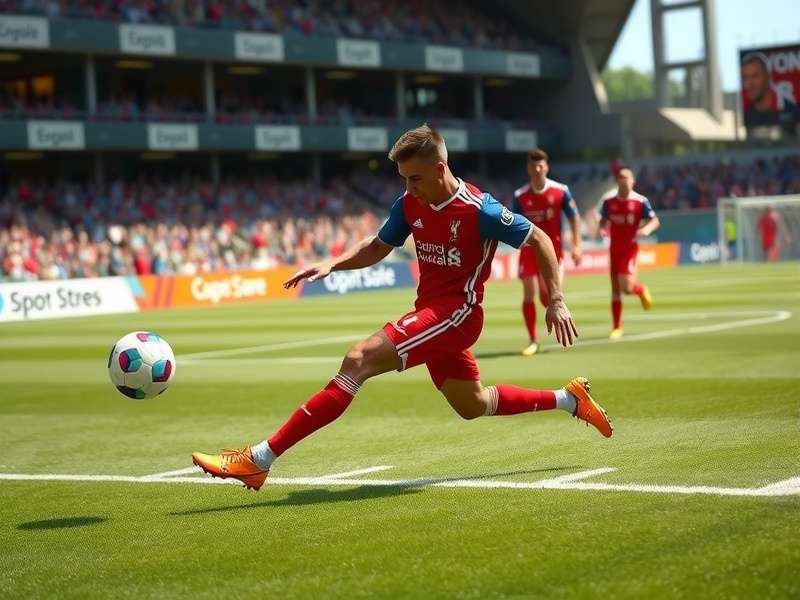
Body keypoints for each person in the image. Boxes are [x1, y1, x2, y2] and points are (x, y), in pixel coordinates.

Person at [192, 125, 613, 492]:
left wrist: (555, 299)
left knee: (357, 359)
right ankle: (569, 399)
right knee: (472, 404)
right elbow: (379, 246)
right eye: (403, 178)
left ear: (440, 169)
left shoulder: (479, 209)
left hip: (458, 314)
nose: (407, 187)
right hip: (433, 314)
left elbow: (539, 238)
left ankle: (259, 460)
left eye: (414, 178)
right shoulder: (410, 202)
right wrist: (334, 263)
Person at [512, 148, 582, 356]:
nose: (537, 169)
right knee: (528, 293)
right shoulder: (520, 195)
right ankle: (533, 339)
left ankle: (560, 322)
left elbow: (574, 217)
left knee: (548, 296)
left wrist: (577, 244)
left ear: (547, 167)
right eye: (533, 165)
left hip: (553, 253)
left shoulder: (560, 191)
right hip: (527, 251)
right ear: (528, 168)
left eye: (541, 165)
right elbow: (512, 222)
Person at [599, 167, 660, 340]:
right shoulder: (609, 202)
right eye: (620, 177)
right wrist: (603, 230)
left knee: (626, 287)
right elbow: (603, 221)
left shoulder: (640, 201)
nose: (623, 180)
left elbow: (655, 220)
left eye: (626, 177)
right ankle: (617, 327)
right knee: (615, 290)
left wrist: (646, 229)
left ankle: (640, 290)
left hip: (630, 250)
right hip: (614, 250)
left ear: (633, 181)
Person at [741, 52, 800, 127]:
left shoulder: (792, 110)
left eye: (755, 76)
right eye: (745, 78)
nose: (749, 84)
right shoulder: (747, 114)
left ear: (768, 76)